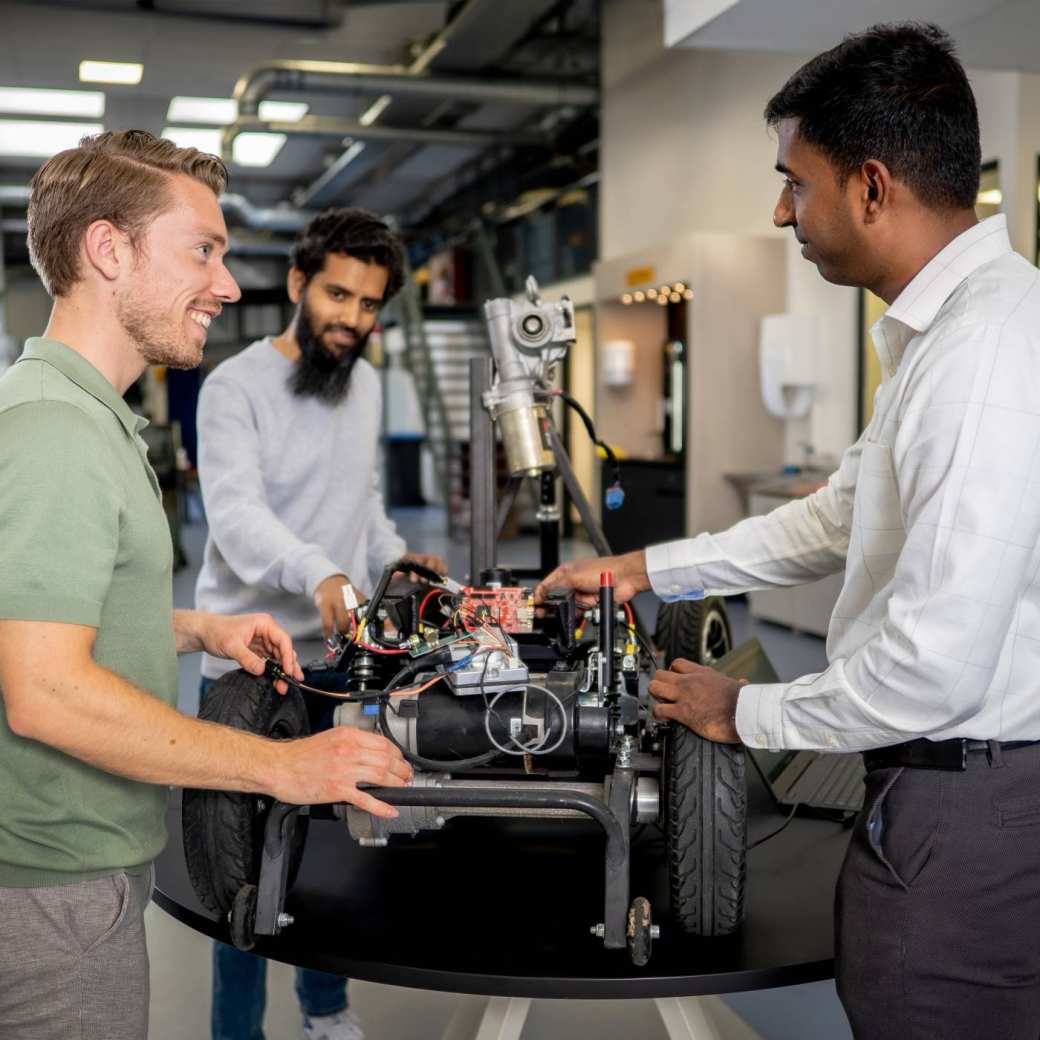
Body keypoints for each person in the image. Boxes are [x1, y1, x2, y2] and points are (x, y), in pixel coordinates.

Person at [537, 23, 1040, 1040]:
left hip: (965, 807)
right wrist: (643, 569)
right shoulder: (948, 335)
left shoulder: (980, 355)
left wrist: (745, 711)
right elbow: (834, 520)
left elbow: (931, 670)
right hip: (954, 789)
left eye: (792, 183)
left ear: (867, 186)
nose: (779, 211)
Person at [0, 130, 412, 1040]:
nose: (227, 285)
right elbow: (44, 693)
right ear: (109, 250)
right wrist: (280, 765)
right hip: (51, 896)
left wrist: (190, 627)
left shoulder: (83, 419)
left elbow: (41, 616)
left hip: (66, 878)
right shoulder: (59, 434)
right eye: (205, 250)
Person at [194, 207, 445, 1040]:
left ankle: (327, 1013)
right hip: (248, 665)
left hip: (341, 660)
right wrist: (319, 570)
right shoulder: (234, 388)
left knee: (332, 856)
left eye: (370, 304)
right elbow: (234, 517)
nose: (352, 318)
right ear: (300, 285)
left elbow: (360, 500)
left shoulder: (364, 383)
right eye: (338, 294)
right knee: (247, 873)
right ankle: (239, 1033)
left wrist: (395, 561)